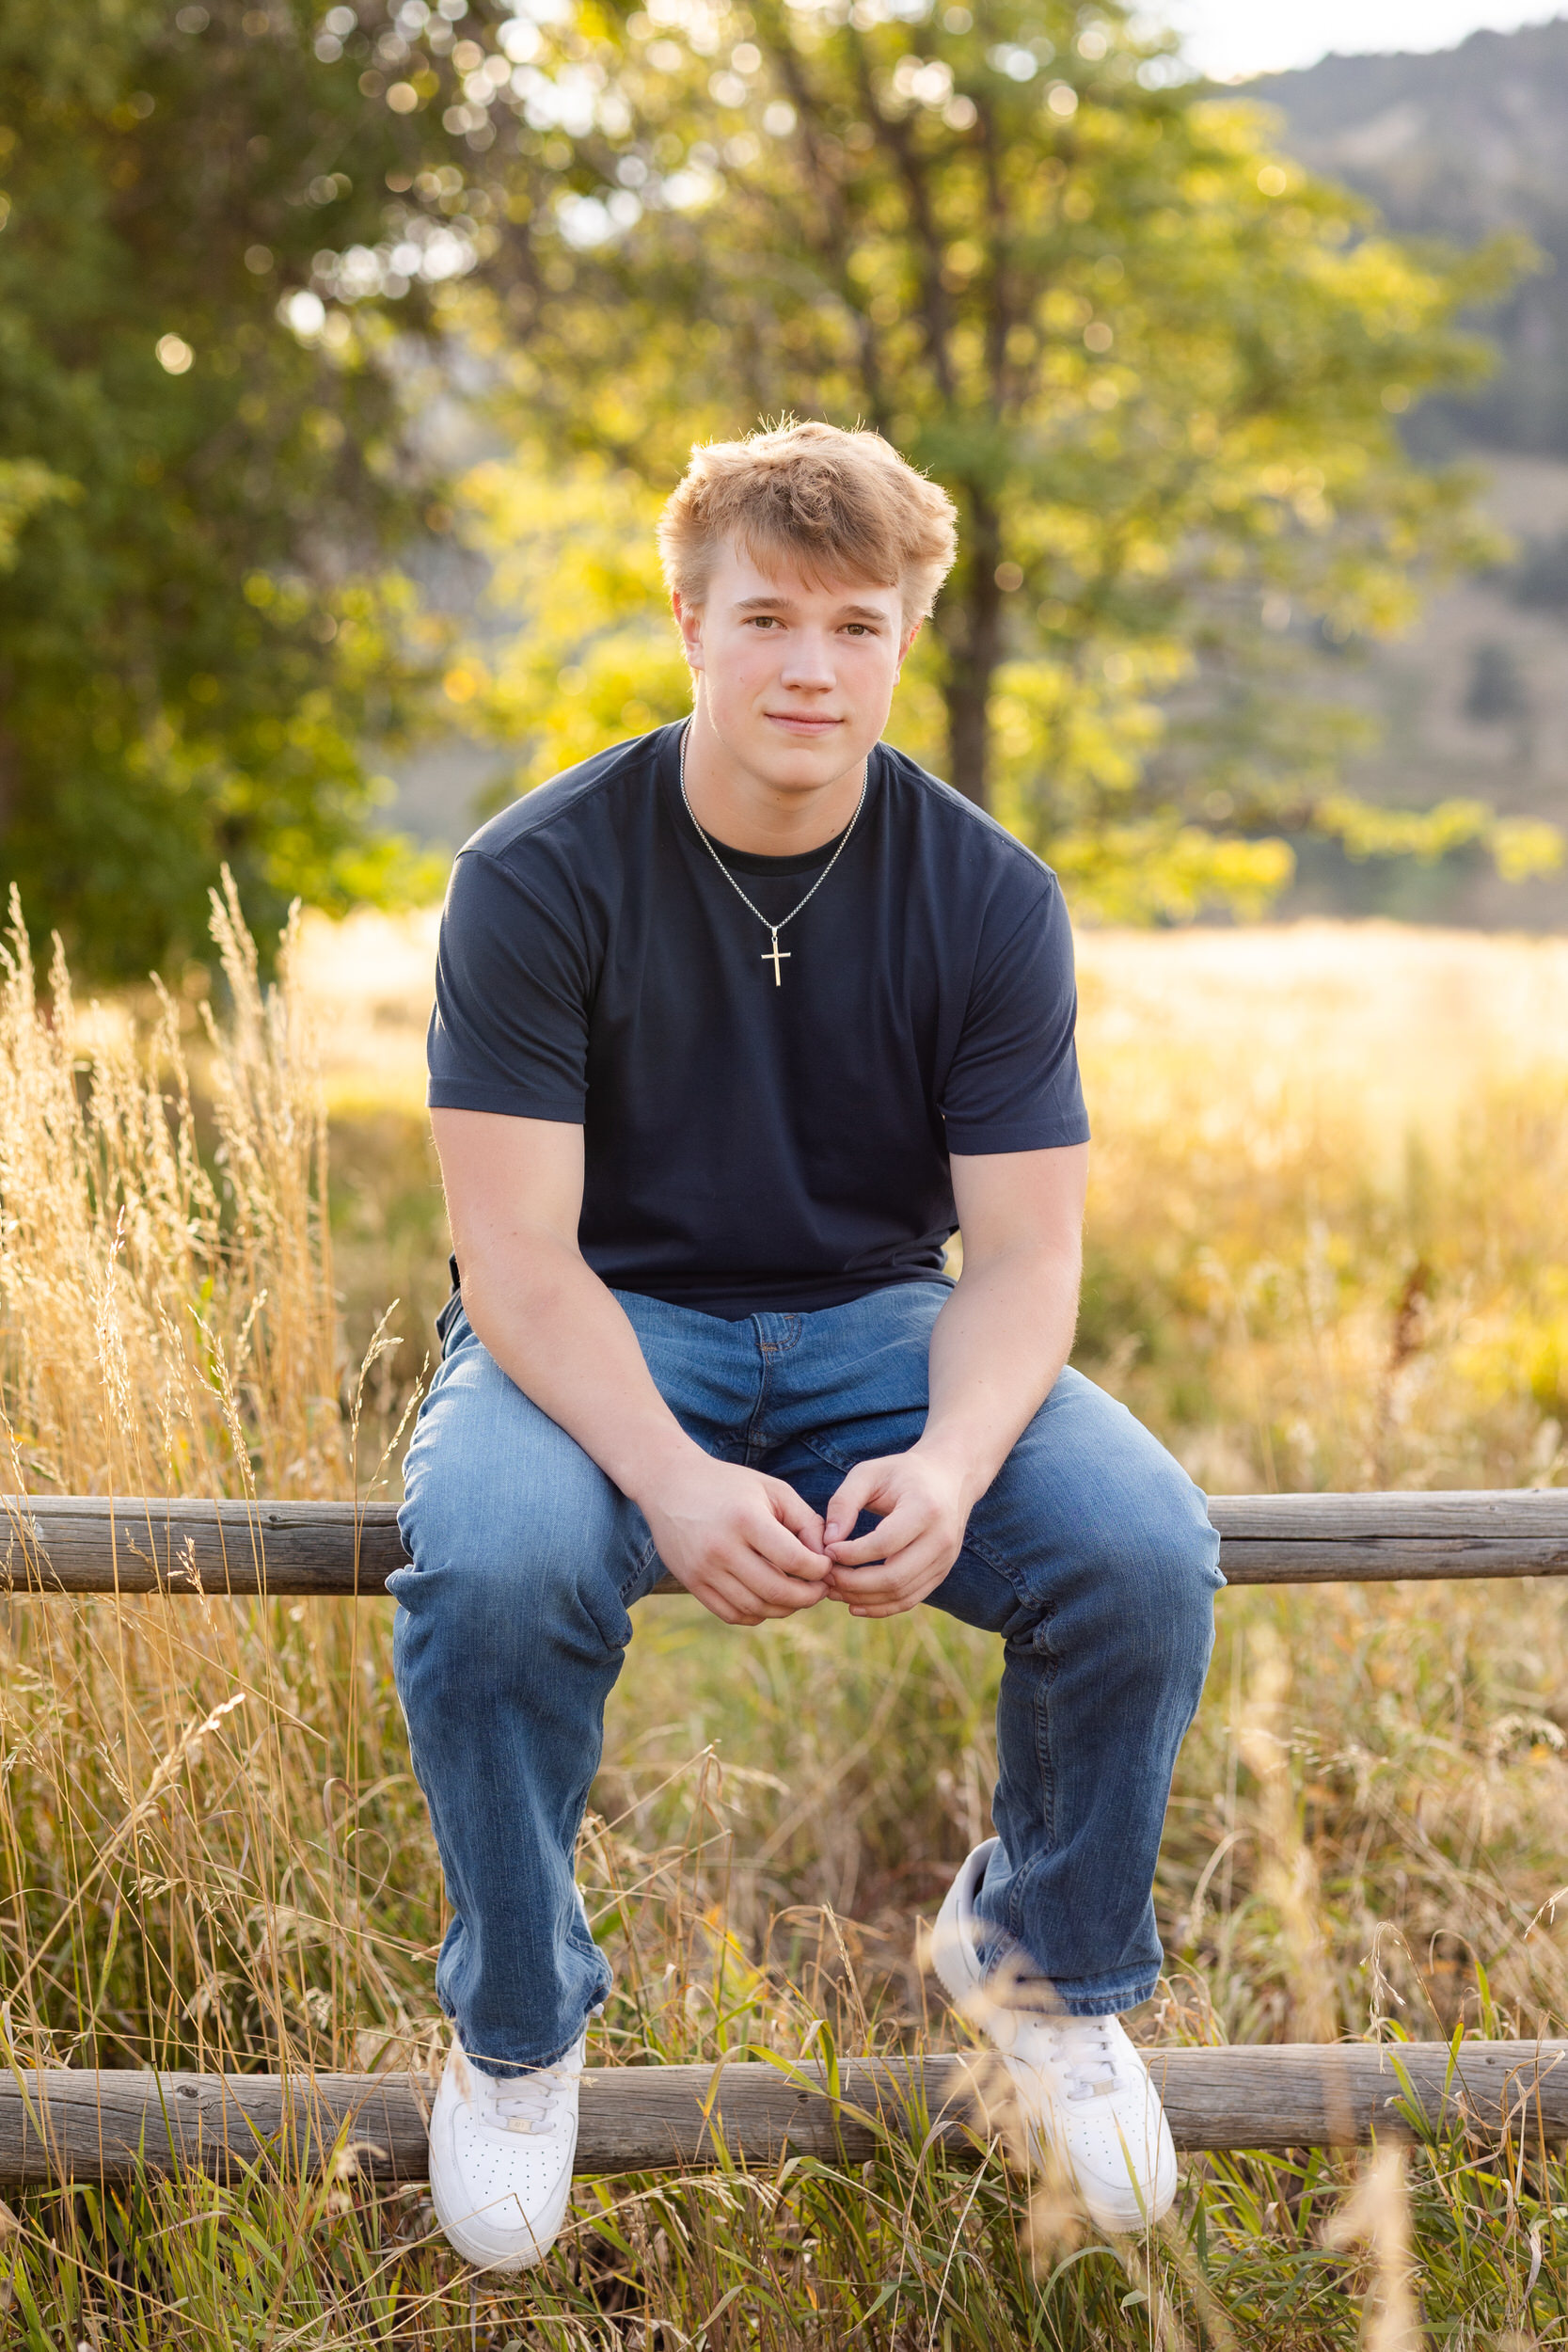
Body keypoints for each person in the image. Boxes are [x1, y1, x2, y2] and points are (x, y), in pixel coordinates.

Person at [391, 420, 1222, 2272]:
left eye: (857, 626)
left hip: (881, 1325)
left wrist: (944, 1458)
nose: (809, 667)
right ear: (688, 621)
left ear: (904, 639)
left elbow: (1021, 1259)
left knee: (1144, 1546)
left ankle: (1046, 1976)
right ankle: (519, 2028)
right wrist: (675, 1480)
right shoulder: (533, 879)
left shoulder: (988, 894)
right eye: (767, 616)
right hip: (605, 1329)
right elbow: (515, 1255)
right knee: (502, 1559)